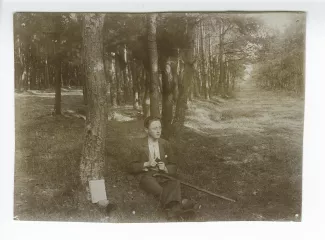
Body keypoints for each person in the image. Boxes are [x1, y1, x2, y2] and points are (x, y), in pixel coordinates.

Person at [128, 116, 198, 220]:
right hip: (146, 176)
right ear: (146, 130)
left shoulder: (165, 144)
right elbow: (130, 167)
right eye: (154, 128)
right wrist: (147, 164)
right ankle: (181, 205)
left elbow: (173, 166)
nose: (158, 131)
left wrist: (165, 168)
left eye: (160, 128)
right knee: (160, 190)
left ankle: (174, 212)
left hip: (162, 175)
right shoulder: (138, 144)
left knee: (175, 182)